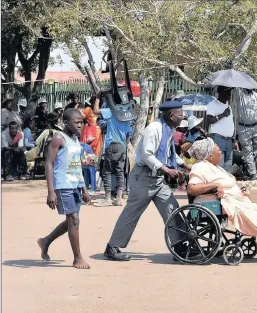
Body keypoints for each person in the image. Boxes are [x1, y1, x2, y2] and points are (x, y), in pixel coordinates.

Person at [103, 101, 191, 261]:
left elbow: (168, 153)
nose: (183, 116)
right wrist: (167, 170)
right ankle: (112, 247)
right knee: (132, 213)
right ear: (172, 116)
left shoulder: (168, 129)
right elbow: (147, 155)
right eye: (181, 114)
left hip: (157, 178)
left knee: (172, 209)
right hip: (144, 177)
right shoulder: (154, 129)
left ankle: (179, 246)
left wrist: (183, 164)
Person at [37, 108, 91, 269]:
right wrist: (50, 191)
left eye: (81, 122)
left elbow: (76, 165)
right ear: (66, 122)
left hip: (74, 184)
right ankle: (77, 258)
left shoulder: (75, 139)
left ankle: (45, 241)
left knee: (71, 221)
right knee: (74, 220)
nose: (80, 125)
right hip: (62, 185)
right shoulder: (58, 139)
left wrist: (84, 188)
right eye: (76, 122)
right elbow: (49, 163)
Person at [93, 93, 131, 206]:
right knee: (120, 172)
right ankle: (118, 199)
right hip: (122, 146)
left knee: (107, 171)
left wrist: (98, 98)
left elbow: (95, 111)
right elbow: (129, 133)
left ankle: (108, 198)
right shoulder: (127, 114)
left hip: (112, 145)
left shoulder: (111, 111)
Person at [233, 88, 257, 179]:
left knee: (255, 149)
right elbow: (235, 88)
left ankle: (250, 171)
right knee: (247, 151)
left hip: (255, 126)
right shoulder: (240, 94)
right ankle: (253, 174)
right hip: (243, 127)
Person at [206, 86, 235, 173]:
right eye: (228, 92)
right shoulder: (212, 104)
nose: (230, 94)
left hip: (229, 140)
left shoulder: (228, 106)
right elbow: (209, 120)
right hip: (218, 139)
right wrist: (222, 115)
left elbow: (230, 123)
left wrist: (233, 140)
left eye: (230, 92)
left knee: (228, 164)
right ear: (221, 92)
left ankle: (226, 184)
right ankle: (219, 184)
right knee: (219, 164)